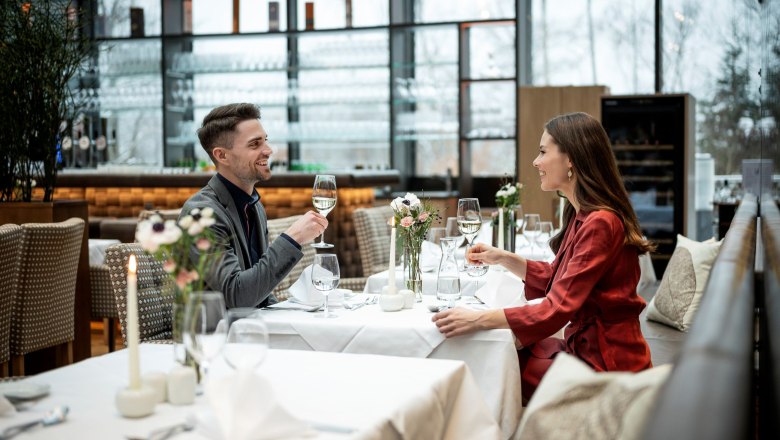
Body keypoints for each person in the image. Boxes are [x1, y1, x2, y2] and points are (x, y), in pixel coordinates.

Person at [432, 112, 654, 401]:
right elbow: (556, 278)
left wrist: (477, 320)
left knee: (491, 366)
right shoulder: (582, 214)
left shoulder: (600, 222)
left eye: (542, 151)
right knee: (496, 357)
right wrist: (502, 258)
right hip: (586, 350)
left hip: (605, 364)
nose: (536, 162)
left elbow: (557, 307)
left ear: (571, 158)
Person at [180, 103, 327, 309]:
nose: (268, 150)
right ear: (222, 155)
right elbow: (237, 296)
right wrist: (292, 238)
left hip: (252, 328)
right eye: (254, 144)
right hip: (216, 335)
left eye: (265, 141)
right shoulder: (201, 214)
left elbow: (259, 290)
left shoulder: (253, 204)